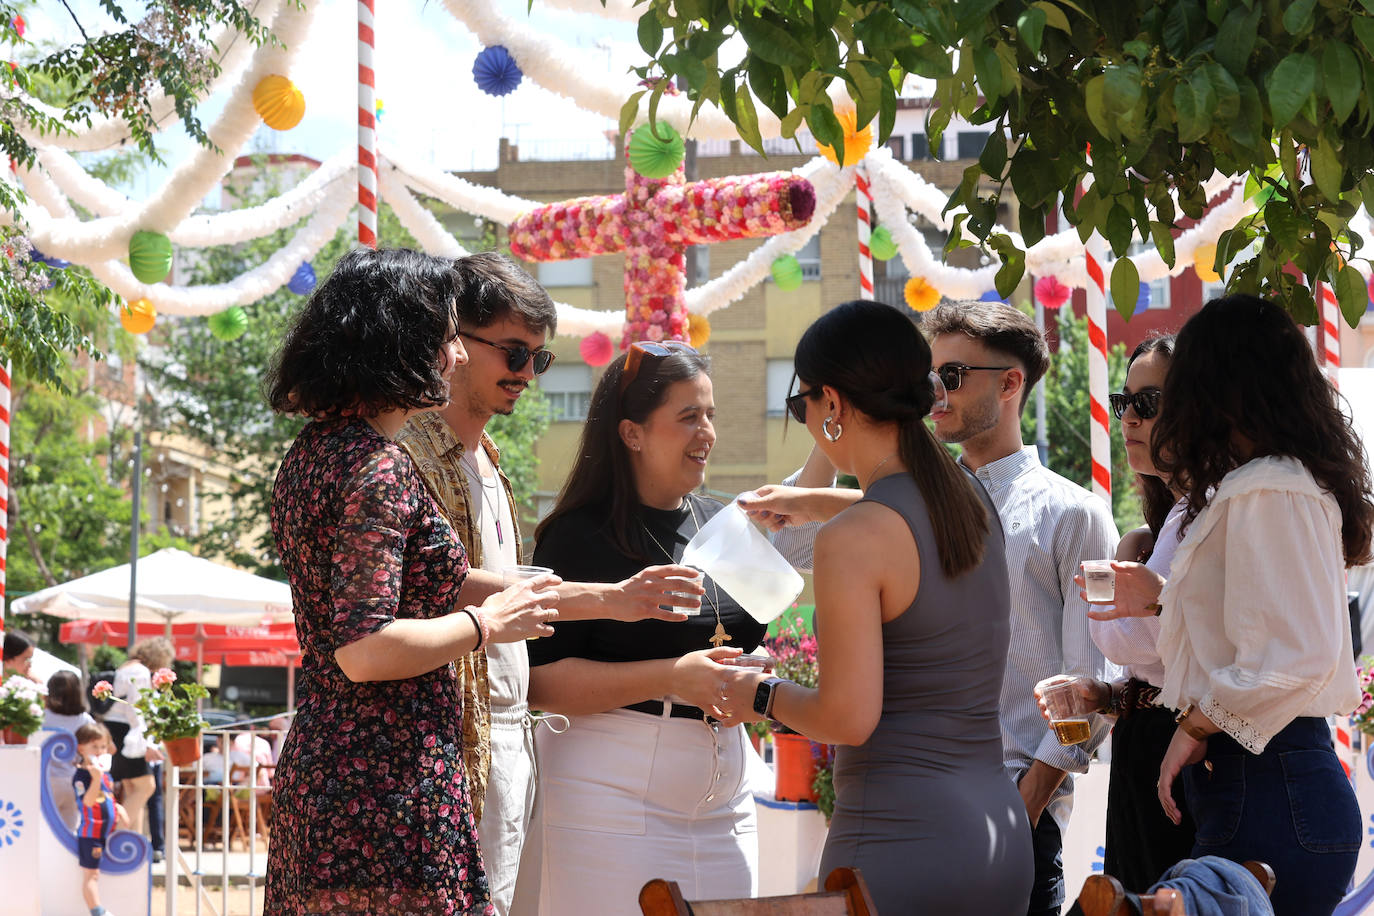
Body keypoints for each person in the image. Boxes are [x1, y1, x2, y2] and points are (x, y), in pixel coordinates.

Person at [396, 253, 702, 916]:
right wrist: (611, 601)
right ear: (452, 343)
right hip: (440, 752)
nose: (526, 376)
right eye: (512, 353)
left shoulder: (489, 458)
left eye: (539, 359)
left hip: (506, 748)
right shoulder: (407, 454)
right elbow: (443, 589)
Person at [263, 247, 556, 916]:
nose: (455, 355)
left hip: (335, 773)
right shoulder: (377, 467)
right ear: (404, 340)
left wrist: (594, 598)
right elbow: (366, 650)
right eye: (448, 335)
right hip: (388, 788)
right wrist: (489, 627)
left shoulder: (315, 452)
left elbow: (439, 582)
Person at [720, 299, 1034, 914]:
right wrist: (814, 502)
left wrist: (755, 694)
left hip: (898, 845)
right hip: (997, 838)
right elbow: (901, 524)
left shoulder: (855, 541)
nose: (806, 418)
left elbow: (846, 717)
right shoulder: (969, 499)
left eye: (800, 404)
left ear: (831, 403)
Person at [1083, 294, 1372, 916]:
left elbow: (1294, 656)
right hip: (1260, 779)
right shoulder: (1268, 483)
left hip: (1270, 779)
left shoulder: (1269, 485)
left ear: (1220, 386)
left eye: (1180, 387)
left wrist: (1193, 726)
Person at [527, 340, 766, 915]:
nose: (706, 432)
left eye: (709, 414)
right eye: (688, 417)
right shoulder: (576, 535)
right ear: (632, 433)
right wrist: (670, 677)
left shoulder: (728, 521)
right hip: (606, 793)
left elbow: (751, 636)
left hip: (726, 792)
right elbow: (541, 686)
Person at [922, 300, 1119, 916]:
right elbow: (791, 544)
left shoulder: (1074, 513)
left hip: (1012, 812)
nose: (936, 394)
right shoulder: (914, 509)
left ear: (1011, 383)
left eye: (951, 377)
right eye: (929, 378)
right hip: (915, 805)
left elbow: (1100, 680)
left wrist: (1029, 801)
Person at [1082, 334, 1196, 891]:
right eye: (1123, 400)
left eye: (1146, 403)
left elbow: (1138, 642)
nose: (1128, 417)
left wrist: (1121, 567)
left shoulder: (1208, 508)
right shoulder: (1175, 517)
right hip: (1146, 741)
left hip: (1184, 749)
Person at [102, 637, 172, 839]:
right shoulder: (140, 672)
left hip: (117, 730)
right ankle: (113, 835)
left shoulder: (126, 667)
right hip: (128, 732)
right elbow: (137, 710)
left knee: (133, 788)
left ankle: (135, 844)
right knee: (146, 786)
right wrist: (146, 743)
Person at [73, 721, 129, 916]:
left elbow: (107, 797)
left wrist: (118, 808)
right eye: (94, 746)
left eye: (103, 746)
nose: (99, 751)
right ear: (81, 748)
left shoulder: (106, 774)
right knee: (92, 874)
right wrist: (95, 779)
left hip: (107, 833)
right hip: (91, 833)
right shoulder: (82, 775)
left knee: (100, 873)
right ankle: (97, 911)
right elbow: (87, 802)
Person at [44, 670, 97, 829]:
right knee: (70, 829)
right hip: (74, 781)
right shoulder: (85, 720)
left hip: (45, 780)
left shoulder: (40, 716)